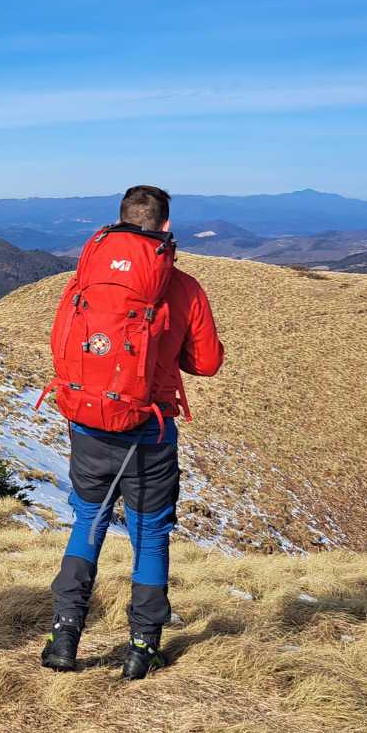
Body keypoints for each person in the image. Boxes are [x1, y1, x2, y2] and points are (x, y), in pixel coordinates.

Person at [38, 185, 224, 680]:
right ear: (165, 227)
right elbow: (206, 363)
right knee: (149, 534)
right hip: (150, 430)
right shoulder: (183, 288)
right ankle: (142, 647)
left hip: (89, 424)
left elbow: (63, 348)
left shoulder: (83, 280)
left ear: (119, 221)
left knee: (88, 522)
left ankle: (64, 636)